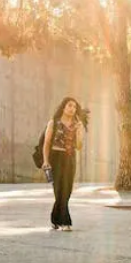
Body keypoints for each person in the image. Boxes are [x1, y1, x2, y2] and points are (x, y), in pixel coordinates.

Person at [42, 97, 84, 231]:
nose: (72, 109)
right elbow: (47, 143)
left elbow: (79, 146)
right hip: (56, 157)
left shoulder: (78, 124)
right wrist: (46, 160)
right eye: (70, 106)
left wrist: (79, 132)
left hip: (70, 158)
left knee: (67, 190)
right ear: (64, 107)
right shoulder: (53, 122)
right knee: (59, 189)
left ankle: (55, 218)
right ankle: (66, 221)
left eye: (74, 107)